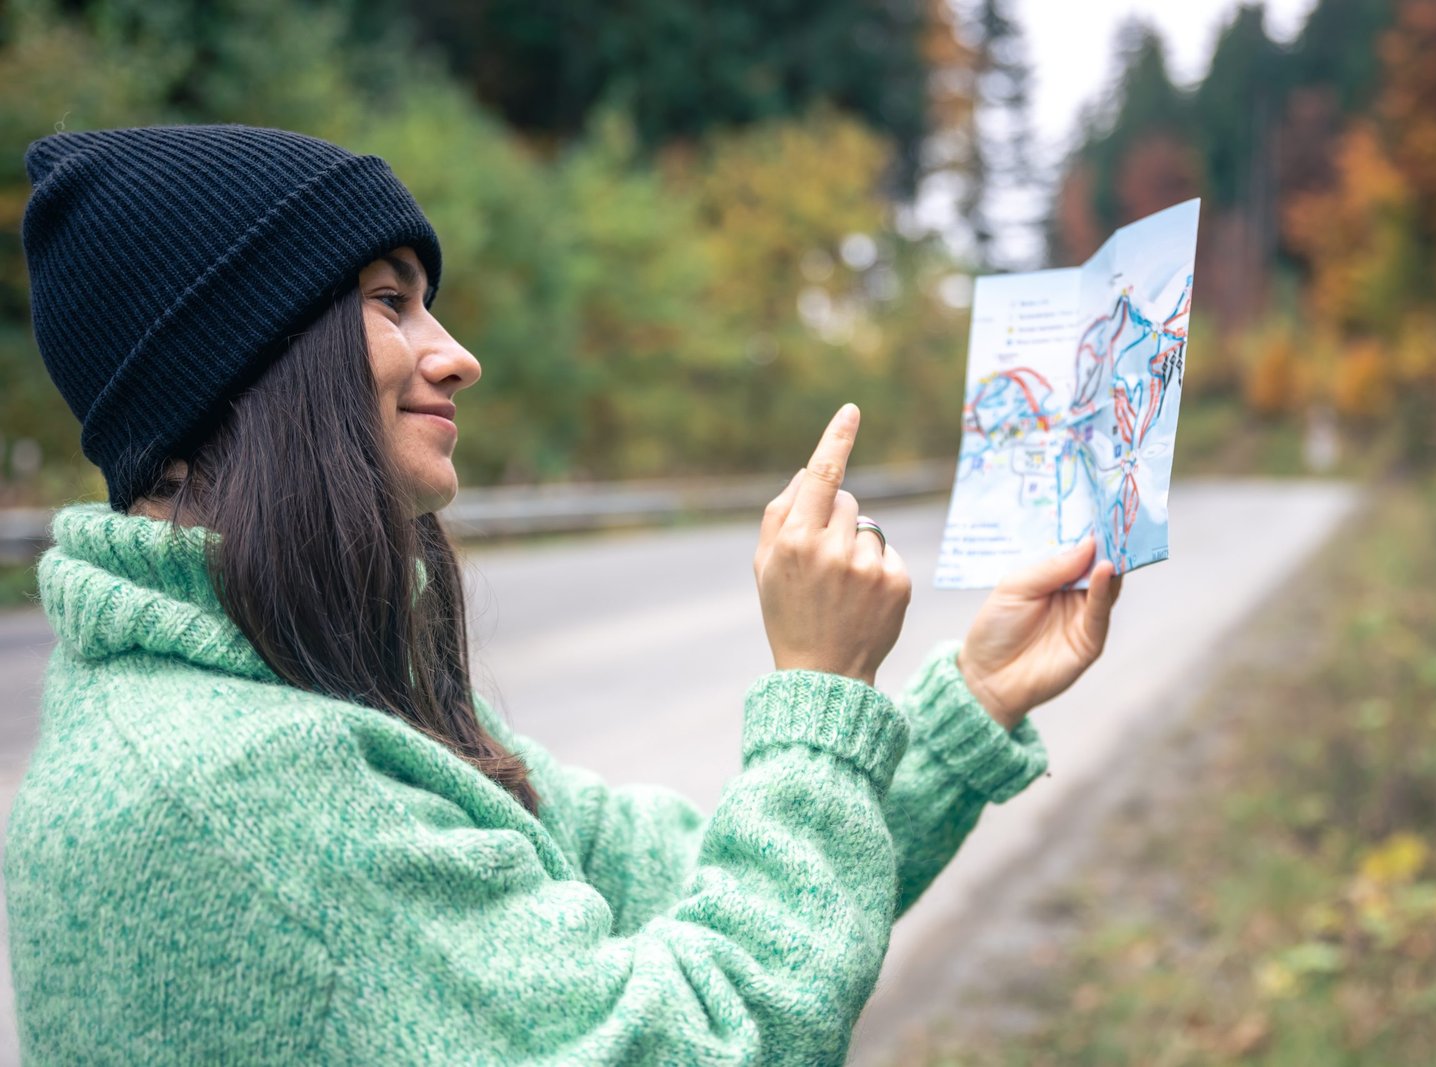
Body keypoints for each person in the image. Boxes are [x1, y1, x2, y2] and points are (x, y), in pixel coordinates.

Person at [5, 124, 1121, 1065]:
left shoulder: (295, 695)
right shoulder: (247, 785)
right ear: (241, 360)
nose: (456, 354)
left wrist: (967, 701)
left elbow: (677, 879)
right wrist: (821, 692)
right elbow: (697, 1033)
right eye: (391, 302)